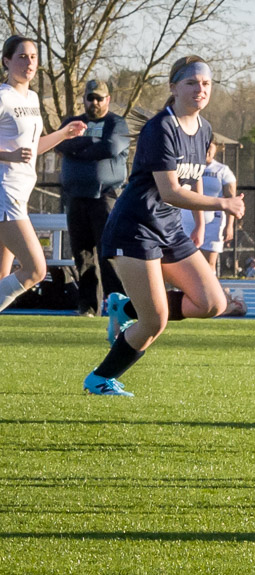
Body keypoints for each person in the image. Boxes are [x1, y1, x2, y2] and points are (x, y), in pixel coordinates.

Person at [80, 55, 245, 396]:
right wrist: (222, 204)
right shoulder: (161, 128)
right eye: (191, 83)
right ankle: (100, 378)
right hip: (135, 227)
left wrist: (200, 222)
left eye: (206, 83)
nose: (200, 89)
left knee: (213, 303)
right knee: (154, 322)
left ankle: (123, 307)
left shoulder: (205, 129)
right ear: (173, 88)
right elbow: (170, 191)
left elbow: (194, 178)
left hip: (169, 227)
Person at [0, 35, 87, 315]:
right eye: (22, 57)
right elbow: (16, 152)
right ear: (6, 61)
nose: (29, 62)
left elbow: (33, 148)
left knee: (3, 280)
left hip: (19, 194)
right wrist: (8, 156)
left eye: (34, 57)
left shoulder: (33, 98)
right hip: (5, 195)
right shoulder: (2, 97)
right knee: (36, 269)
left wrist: (64, 134)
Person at [55, 78, 130, 316]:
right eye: (90, 98)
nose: (94, 102)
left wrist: (78, 145)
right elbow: (60, 144)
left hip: (105, 196)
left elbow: (109, 148)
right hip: (76, 196)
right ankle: (88, 306)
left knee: (108, 253)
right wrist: (88, 144)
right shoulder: (72, 122)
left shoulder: (116, 123)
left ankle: (116, 303)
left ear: (107, 99)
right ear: (84, 99)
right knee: (82, 254)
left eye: (99, 98)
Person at [179, 139, 236, 274]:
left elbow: (231, 200)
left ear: (216, 148)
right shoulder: (187, 167)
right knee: (184, 263)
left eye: (210, 147)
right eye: (204, 146)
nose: (207, 150)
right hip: (185, 222)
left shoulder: (222, 170)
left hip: (212, 223)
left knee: (207, 264)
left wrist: (229, 226)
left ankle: (207, 293)